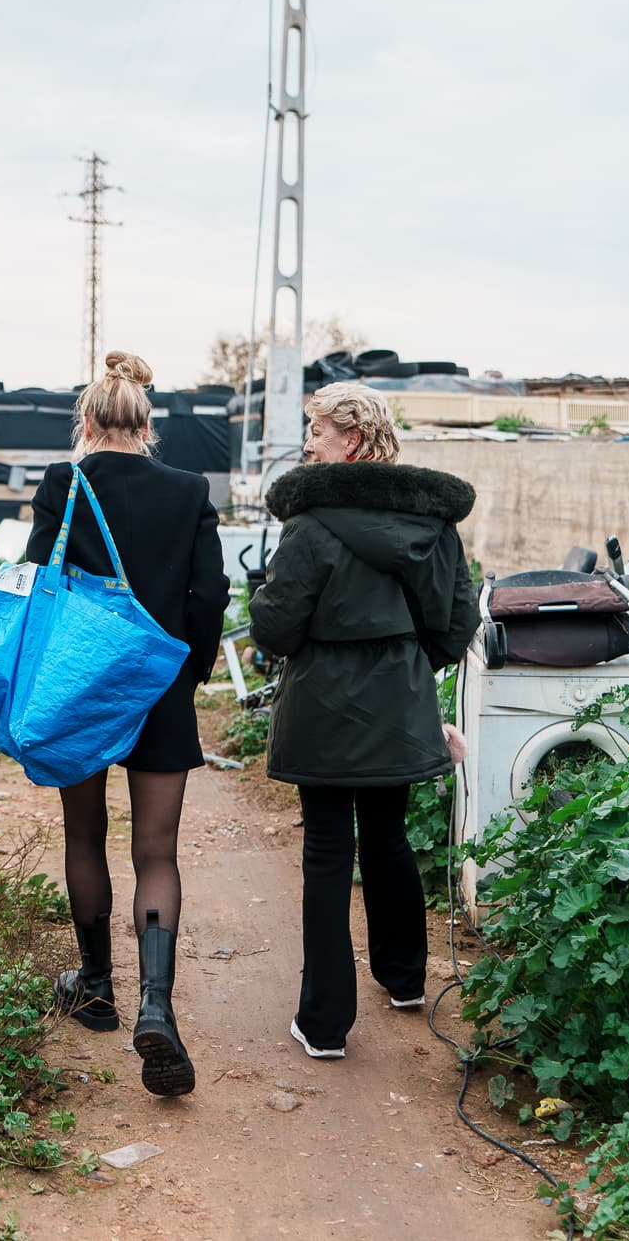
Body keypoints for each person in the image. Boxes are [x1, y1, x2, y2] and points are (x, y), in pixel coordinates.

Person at [248, 382, 478, 1060]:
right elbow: (458, 619)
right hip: (398, 703)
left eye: (316, 429)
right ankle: (405, 981)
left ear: (351, 439)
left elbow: (277, 628)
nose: (308, 442)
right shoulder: (432, 522)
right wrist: (408, 666)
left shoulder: (310, 523)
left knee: (327, 853)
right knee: (388, 835)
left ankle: (324, 1026)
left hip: (321, 707)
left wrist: (264, 603)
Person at [24, 351, 231, 1097]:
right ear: (147, 425)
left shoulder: (64, 483)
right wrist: (190, 670)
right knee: (157, 852)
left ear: (85, 422)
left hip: (80, 687)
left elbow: (37, 580)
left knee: (84, 835)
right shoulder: (188, 489)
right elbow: (210, 594)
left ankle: (95, 988)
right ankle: (156, 1005)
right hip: (160, 684)